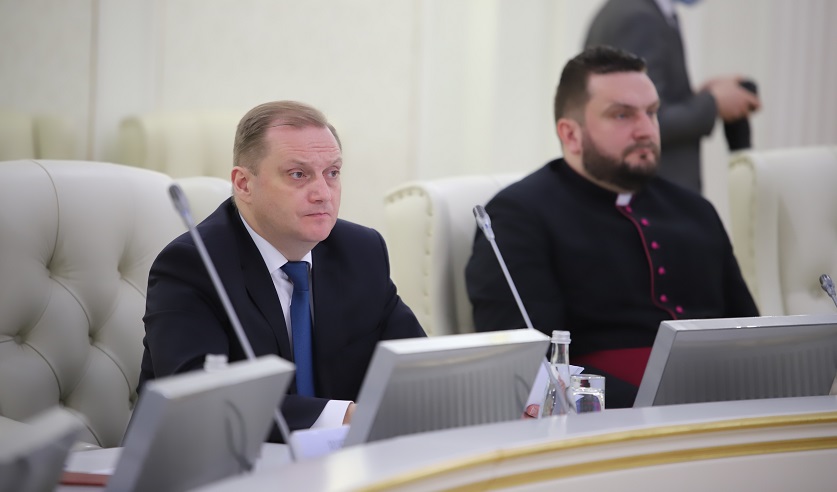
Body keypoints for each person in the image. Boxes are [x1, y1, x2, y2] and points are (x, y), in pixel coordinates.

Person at [465, 46, 758, 408]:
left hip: (730, 410)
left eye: (652, 112)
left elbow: (751, 335)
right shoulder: (518, 217)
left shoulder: (695, 211)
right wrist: (656, 406)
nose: (646, 130)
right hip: (611, 424)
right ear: (571, 134)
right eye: (622, 115)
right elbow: (527, 369)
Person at [138, 101, 426, 440]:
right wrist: (347, 416)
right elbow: (199, 401)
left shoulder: (360, 251)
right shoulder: (193, 265)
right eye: (298, 174)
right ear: (244, 184)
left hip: (340, 462)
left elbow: (417, 367)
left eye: (332, 173)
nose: (323, 194)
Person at [584, 0, 761, 193]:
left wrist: (703, 95)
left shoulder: (645, 12)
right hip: (652, 198)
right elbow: (641, 120)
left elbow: (646, 103)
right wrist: (714, 103)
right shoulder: (640, 19)